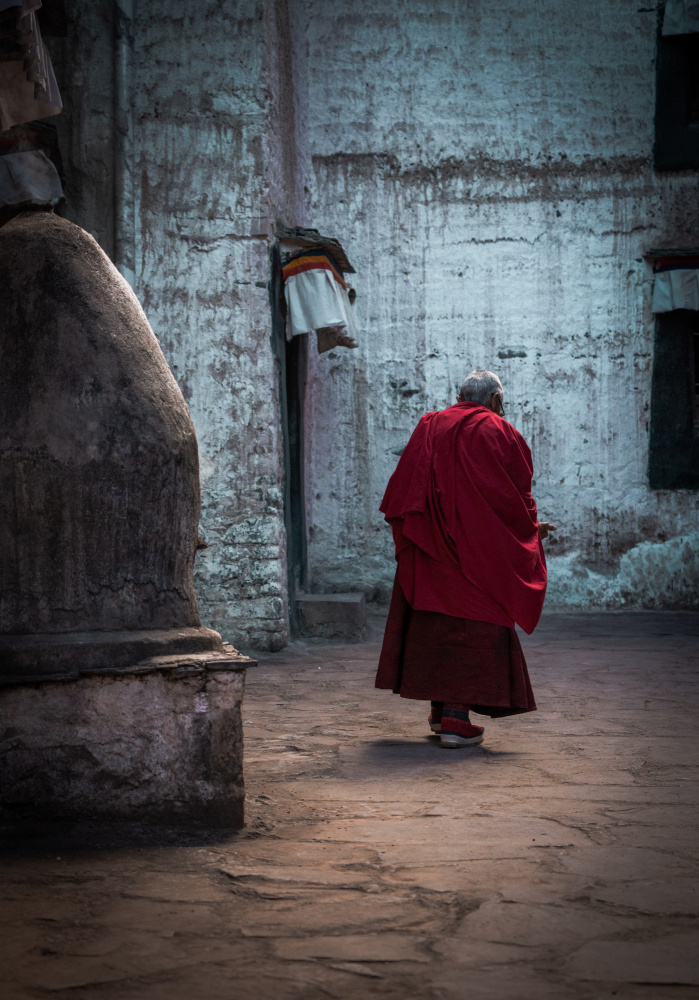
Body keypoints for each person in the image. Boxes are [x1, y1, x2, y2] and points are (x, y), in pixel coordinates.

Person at [375, 370, 556, 748]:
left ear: (460, 396)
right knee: (472, 625)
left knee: (433, 622)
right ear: (493, 400)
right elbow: (514, 497)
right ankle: (456, 719)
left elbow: (403, 487)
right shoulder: (500, 431)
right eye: (501, 403)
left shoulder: (429, 425)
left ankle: (440, 714)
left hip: (432, 546)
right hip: (479, 552)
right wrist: (531, 529)